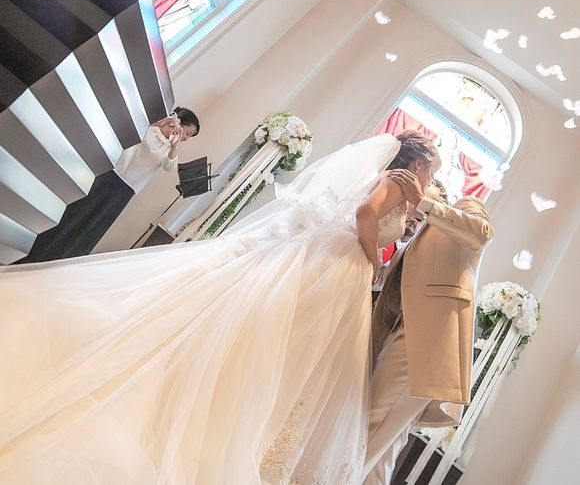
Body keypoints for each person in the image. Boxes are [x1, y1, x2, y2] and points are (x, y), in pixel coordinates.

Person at [0, 131, 438, 484]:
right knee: (288, 345)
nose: (431, 177)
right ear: (416, 164)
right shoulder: (396, 183)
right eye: (431, 169)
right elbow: (365, 216)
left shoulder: (395, 184)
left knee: (292, 348)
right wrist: (372, 261)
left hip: (339, 267)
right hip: (342, 265)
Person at [363, 170, 493, 484]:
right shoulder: (411, 243)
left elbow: (482, 232)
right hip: (399, 338)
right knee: (384, 449)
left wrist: (423, 202)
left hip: (422, 345)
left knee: (368, 432)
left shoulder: (466, 207)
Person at [18, 106, 200, 263]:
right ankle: (33, 253)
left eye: (190, 136)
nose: (186, 138)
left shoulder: (170, 148)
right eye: (188, 133)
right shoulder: (152, 127)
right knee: (74, 213)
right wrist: (158, 124)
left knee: (92, 226)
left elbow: (170, 166)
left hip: (126, 190)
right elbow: (131, 130)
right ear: (179, 122)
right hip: (111, 174)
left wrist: (175, 146)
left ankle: (61, 259)